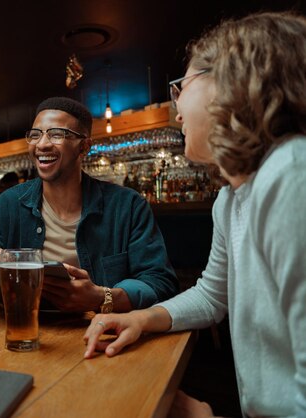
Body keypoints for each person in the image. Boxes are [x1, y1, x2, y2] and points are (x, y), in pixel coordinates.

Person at [83, 12, 306, 417]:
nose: (177, 111)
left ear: (233, 79)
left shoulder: (291, 175)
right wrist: (142, 319)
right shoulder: (232, 199)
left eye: (181, 87)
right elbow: (211, 294)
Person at [0, 96, 178, 312]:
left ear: (84, 147)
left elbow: (160, 282)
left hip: (102, 334)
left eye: (57, 134)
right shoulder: (7, 205)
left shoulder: (128, 206)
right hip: (23, 330)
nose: (42, 144)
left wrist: (102, 297)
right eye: (35, 135)